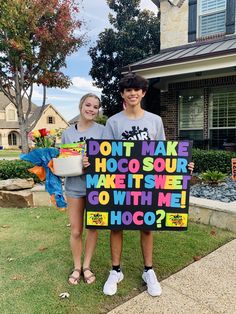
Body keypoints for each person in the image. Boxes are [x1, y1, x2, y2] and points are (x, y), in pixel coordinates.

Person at [101, 73, 194, 297]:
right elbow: (103, 155)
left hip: (148, 183)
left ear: (143, 93)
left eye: (137, 90)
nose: (132, 93)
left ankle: (148, 270)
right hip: (120, 182)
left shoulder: (155, 120)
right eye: (128, 90)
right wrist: (89, 161)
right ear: (123, 94)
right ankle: (116, 271)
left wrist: (182, 166)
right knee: (116, 225)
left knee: (147, 225)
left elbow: (164, 156)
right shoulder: (114, 121)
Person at [61, 93, 104, 285]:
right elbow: (62, 163)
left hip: (97, 187)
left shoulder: (104, 131)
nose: (91, 109)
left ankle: (87, 266)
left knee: (93, 228)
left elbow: (112, 158)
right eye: (88, 105)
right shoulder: (68, 133)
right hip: (74, 187)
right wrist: (79, 162)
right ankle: (76, 267)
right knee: (77, 230)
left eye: (95, 107)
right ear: (81, 106)